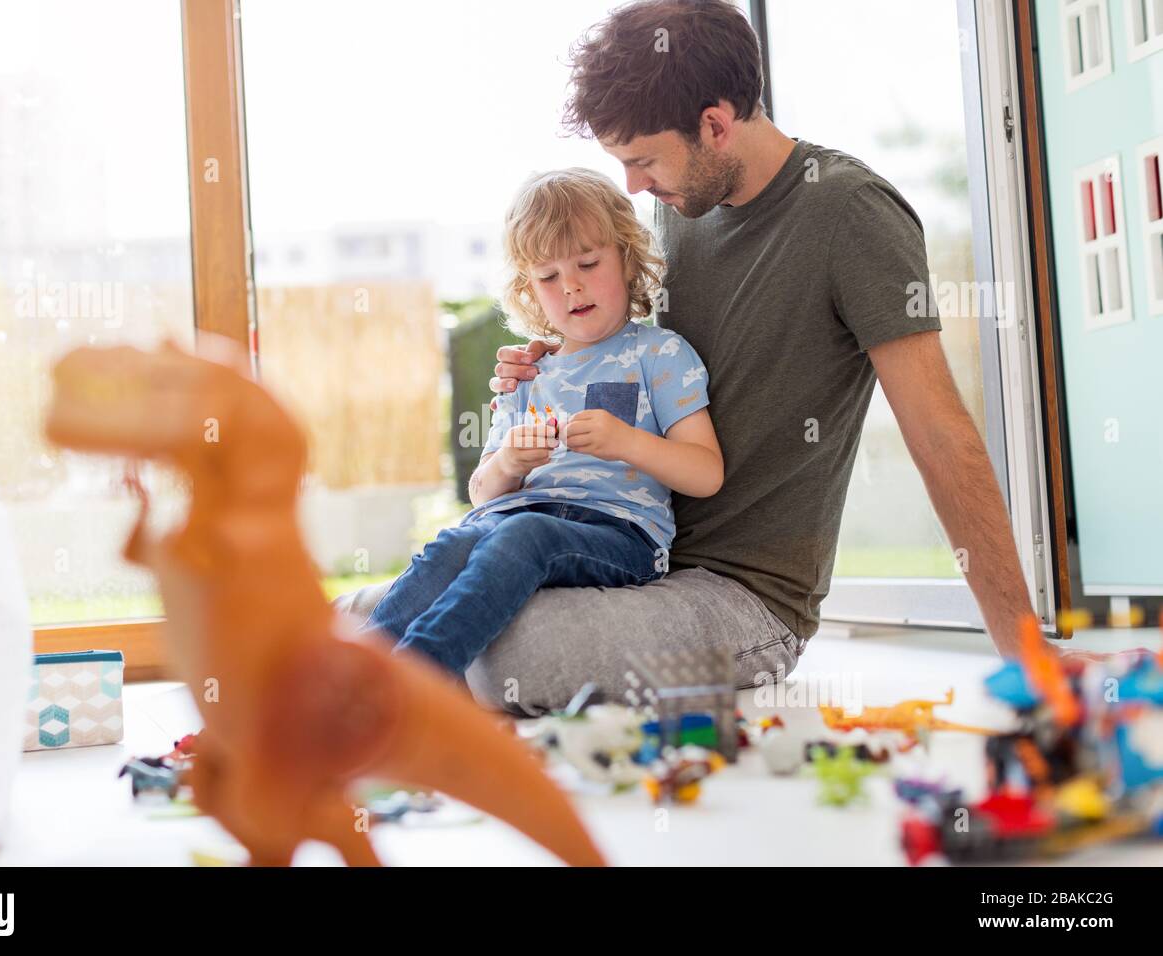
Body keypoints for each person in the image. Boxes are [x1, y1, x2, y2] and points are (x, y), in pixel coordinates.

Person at [340, 0, 1035, 714]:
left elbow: (940, 433)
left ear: (714, 124)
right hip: (618, 556)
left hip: (740, 597)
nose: (634, 186)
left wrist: (1027, 655)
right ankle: (353, 652)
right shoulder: (684, 203)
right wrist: (550, 360)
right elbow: (630, 346)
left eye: (641, 160)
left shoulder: (850, 214)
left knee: (506, 657)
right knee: (388, 610)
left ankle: (377, 664)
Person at [360, 168, 722, 677]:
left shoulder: (660, 353)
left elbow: (706, 473)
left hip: (620, 535)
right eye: (549, 276)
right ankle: (352, 672)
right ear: (529, 289)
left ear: (626, 257)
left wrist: (627, 442)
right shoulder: (528, 371)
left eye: (588, 263)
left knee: (523, 534)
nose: (571, 286)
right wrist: (509, 459)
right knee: (452, 544)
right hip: (514, 517)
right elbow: (484, 494)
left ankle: (415, 682)